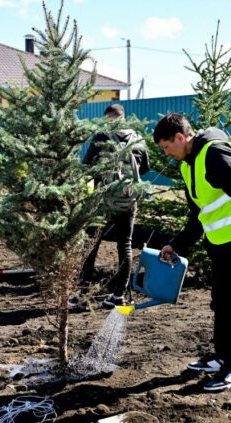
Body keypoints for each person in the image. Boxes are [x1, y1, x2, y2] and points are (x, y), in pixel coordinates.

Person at [152, 113, 231, 392]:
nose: (166, 153)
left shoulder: (214, 155)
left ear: (180, 138)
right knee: (220, 302)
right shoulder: (187, 166)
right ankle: (220, 358)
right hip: (221, 244)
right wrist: (177, 244)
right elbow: (199, 216)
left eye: (166, 146)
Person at [69, 104, 150, 310]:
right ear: (123, 118)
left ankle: (82, 295)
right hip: (128, 200)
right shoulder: (137, 139)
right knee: (125, 245)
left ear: (107, 119)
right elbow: (146, 168)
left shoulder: (101, 137)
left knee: (91, 244)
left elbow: (87, 166)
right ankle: (118, 295)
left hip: (102, 200)